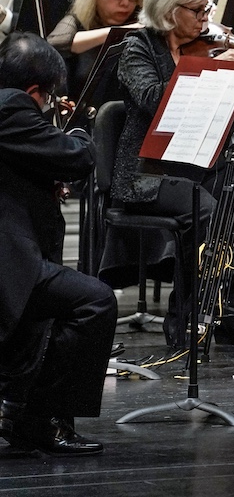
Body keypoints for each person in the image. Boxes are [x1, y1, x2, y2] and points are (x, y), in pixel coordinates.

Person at [105, 0, 234, 348]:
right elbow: (152, 98)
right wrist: (209, 70)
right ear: (168, 8)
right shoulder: (137, 47)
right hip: (151, 170)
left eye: (206, 10)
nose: (205, 19)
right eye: (196, 11)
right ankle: (186, 319)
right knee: (209, 213)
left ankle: (227, 307)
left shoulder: (212, 44)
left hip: (204, 160)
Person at [0, 33, 115, 457]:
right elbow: (78, 158)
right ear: (36, 92)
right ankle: (43, 421)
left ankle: (24, 411)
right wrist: (81, 128)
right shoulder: (12, 107)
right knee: (95, 301)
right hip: (10, 261)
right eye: (48, 98)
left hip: (19, 252)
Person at [46, 0, 145, 100]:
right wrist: (116, 32)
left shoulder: (141, 18)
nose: (125, 2)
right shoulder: (78, 20)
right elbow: (54, 44)